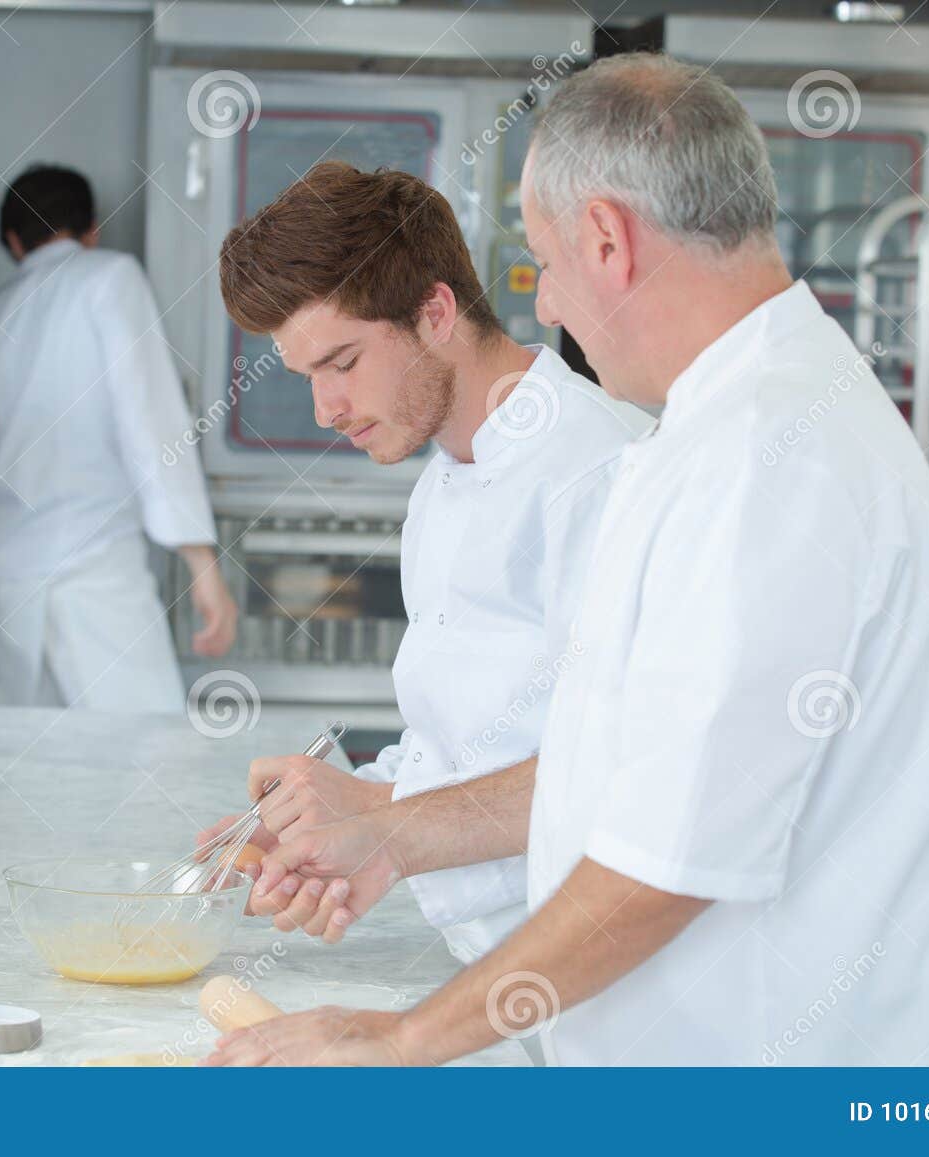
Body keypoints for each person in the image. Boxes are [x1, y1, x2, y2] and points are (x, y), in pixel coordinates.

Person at [207, 54, 929, 1067]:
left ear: (607, 240)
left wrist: (402, 1034)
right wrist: (386, 830)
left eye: (543, 264)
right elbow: (614, 764)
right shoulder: (729, 428)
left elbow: (668, 858)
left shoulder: (764, 458)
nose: (543, 310)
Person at [202, 162, 651, 991]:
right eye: (308, 377)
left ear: (435, 312)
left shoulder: (597, 470)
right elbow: (462, 744)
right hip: (491, 969)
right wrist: (340, 808)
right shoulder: (441, 485)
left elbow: (630, 769)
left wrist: (387, 828)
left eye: (342, 362)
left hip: (604, 977)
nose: (325, 408)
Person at [0, 165, 236, 710]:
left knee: (18, 781)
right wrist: (202, 568)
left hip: (8, 597)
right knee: (142, 772)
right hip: (101, 581)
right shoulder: (111, 278)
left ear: (13, 241)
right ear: (91, 230)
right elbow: (151, 420)